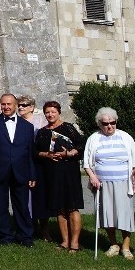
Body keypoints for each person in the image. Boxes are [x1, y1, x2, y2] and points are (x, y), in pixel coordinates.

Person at [83, 107, 135, 261]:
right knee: (107, 215)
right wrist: (92, 177)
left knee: (125, 215)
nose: (109, 126)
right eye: (105, 123)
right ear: (99, 124)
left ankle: (125, 246)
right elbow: (86, 164)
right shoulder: (93, 138)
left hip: (124, 183)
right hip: (103, 184)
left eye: (112, 122)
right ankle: (113, 244)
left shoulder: (125, 137)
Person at [0, 93, 37, 246]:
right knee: (0, 205)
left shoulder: (28, 127)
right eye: (3, 104)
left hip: (21, 171)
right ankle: (5, 235)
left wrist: (32, 174)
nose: (6, 107)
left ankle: (25, 236)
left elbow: (30, 154)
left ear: (15, 105)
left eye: (9, 104)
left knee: (22, 205)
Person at [35, 100, 84, 253]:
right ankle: (64, 241)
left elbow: (81, 145)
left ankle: (75, 244)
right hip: (52, 172)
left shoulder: (68, 128)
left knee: (72, 206)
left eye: (53, 112)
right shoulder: (42, 132)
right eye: (47, 112)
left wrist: (68, 153)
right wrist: (46, 155)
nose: (50, 115)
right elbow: (35, 152)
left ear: (59, 112)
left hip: (69, 171)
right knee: (59, 208)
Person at [19, 94, 51, 240]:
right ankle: (29, 226)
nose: (20, 107)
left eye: (24, 105)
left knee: (41, 196)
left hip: (40, 162)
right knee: (25, 197)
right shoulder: (16, 122)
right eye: (19, 105)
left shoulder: (41, 122)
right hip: (23, 163)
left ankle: (44, 228)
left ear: (32, 107)